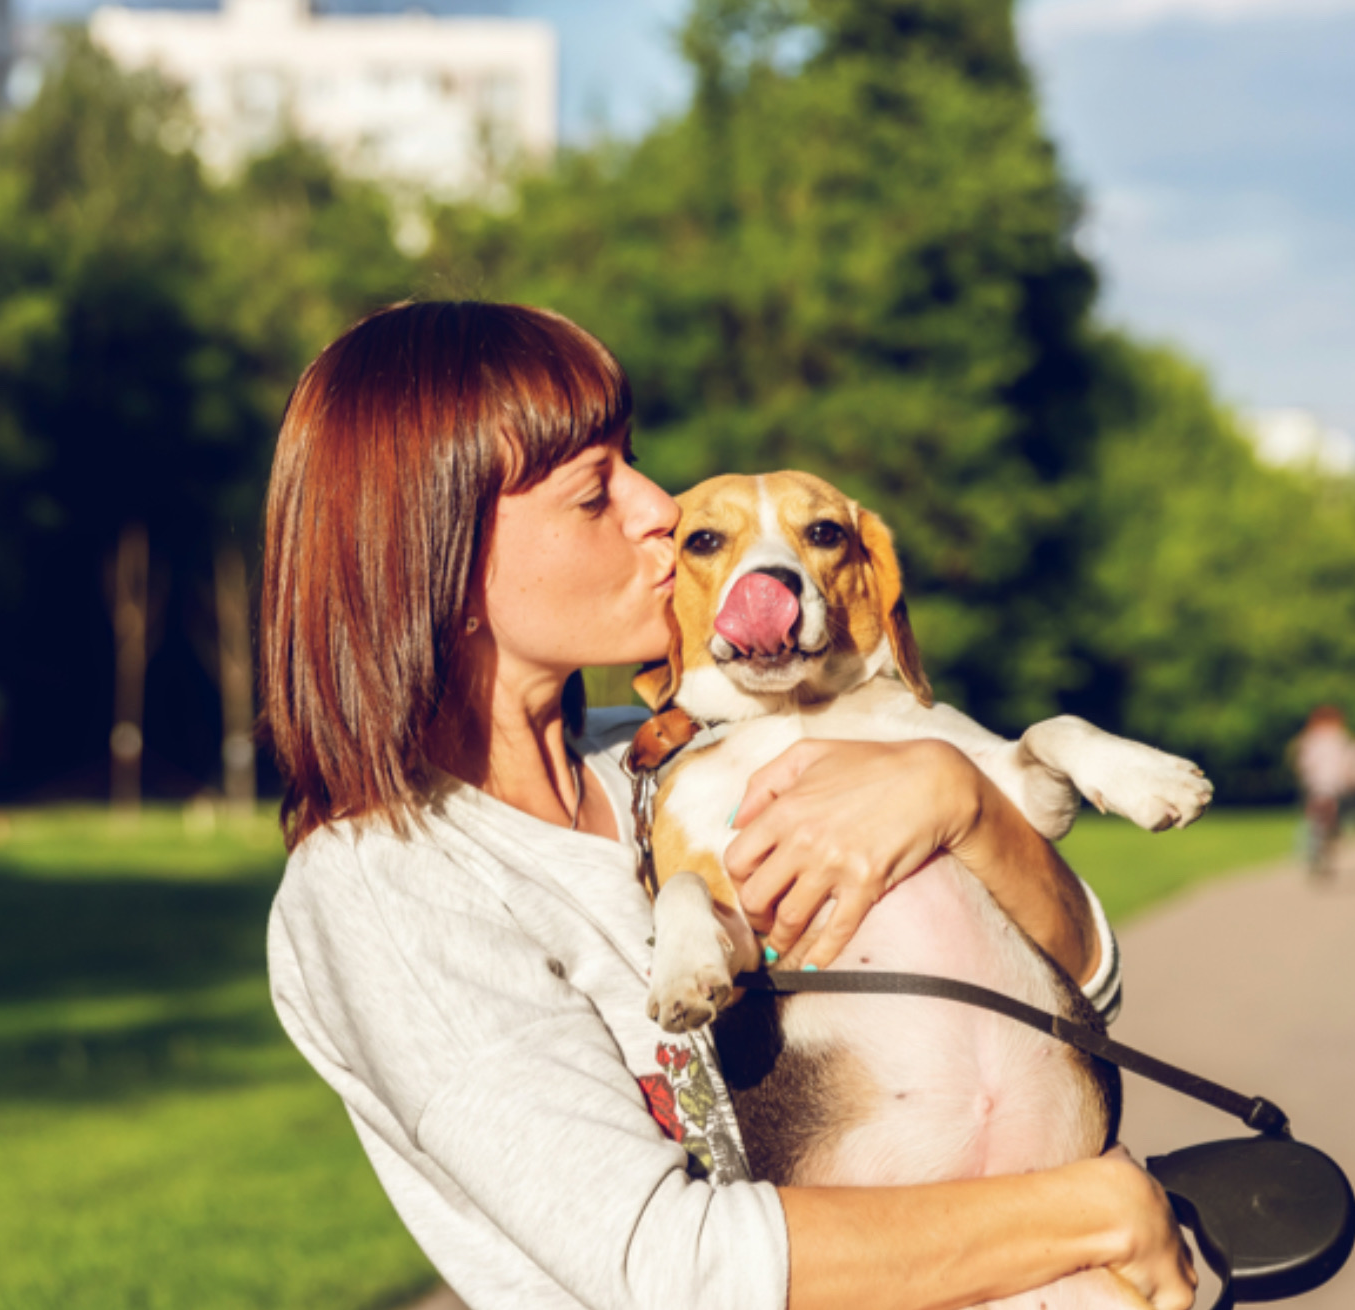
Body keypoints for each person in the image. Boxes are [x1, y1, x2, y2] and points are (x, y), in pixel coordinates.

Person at [259, 302, 1195, 1310]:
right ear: (442, 562)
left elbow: (1078, 1001)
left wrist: (957, 797)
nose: (657, 506)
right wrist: (1087, 1212)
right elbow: (663, 1267)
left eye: (633, 459)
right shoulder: (387, 883)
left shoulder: (677, 757)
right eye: (593, 490)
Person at [1290, 706, 1353, 878]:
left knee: (1318, 822)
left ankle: (1315, 852)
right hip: (1328, 786)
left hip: (1319, 786)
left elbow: (1303, 764)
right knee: (1325, 823)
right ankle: (1318, 853)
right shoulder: (1337, 738)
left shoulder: (1313, 739)